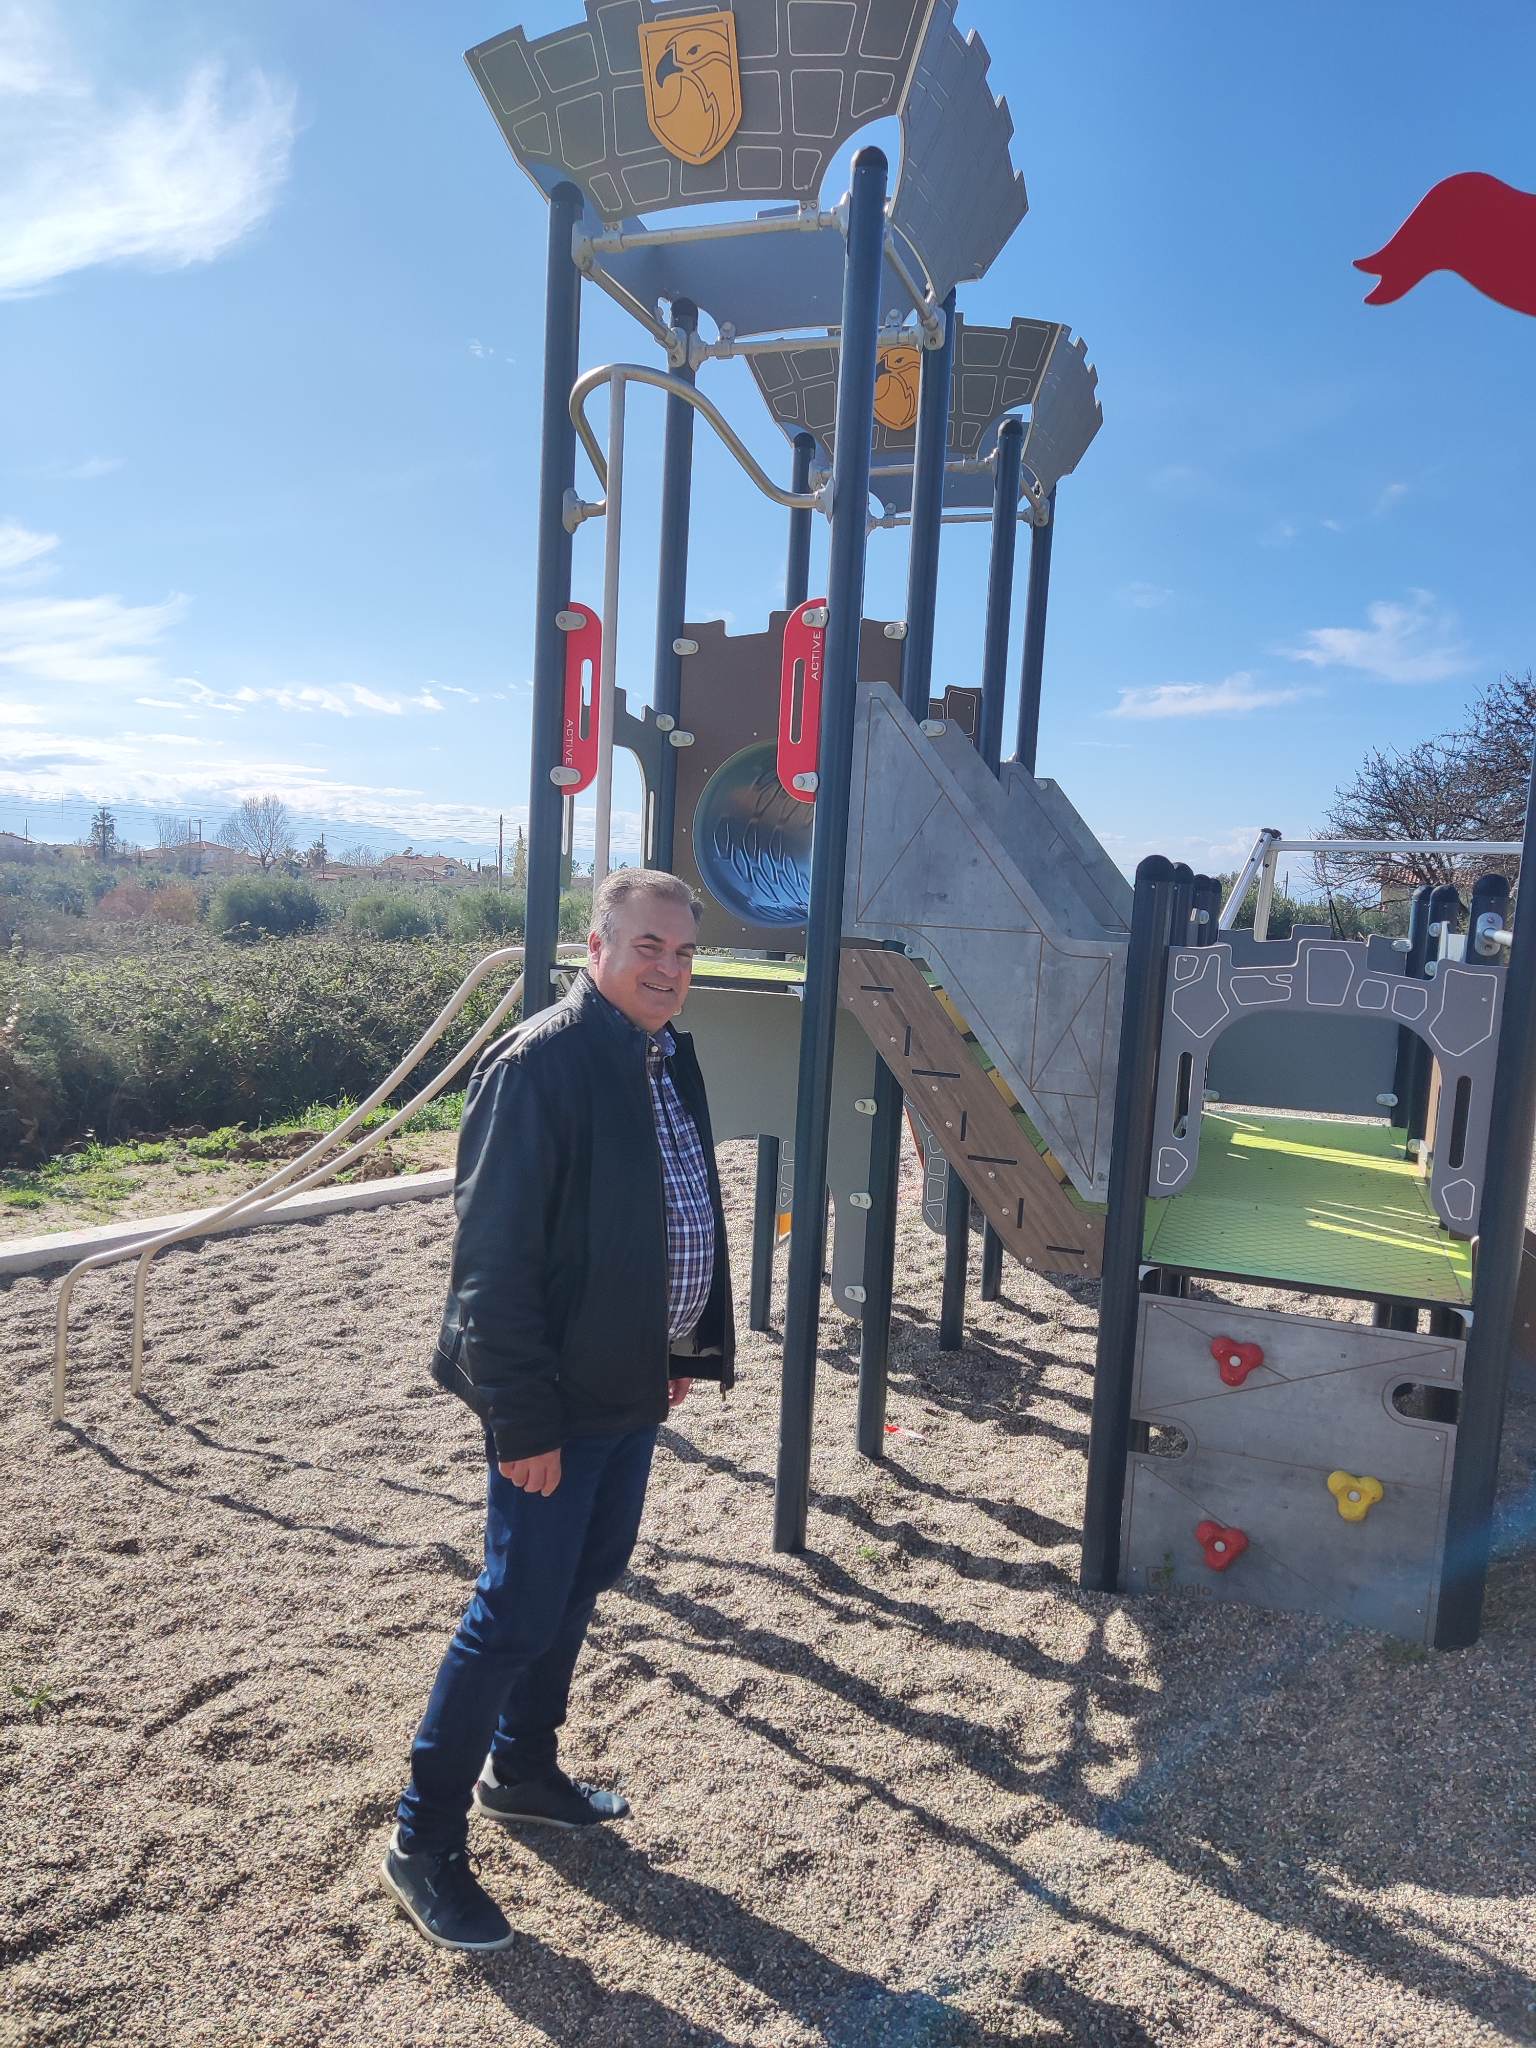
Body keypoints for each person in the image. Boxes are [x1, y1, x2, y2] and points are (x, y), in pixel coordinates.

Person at [380, 869, 735, 1951]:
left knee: (585, 1577)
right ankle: (422, 1840)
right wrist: (521, 1422)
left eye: (683, 952)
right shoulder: (539, 1065)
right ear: (597, 946)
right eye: (648, 946)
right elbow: (492, 1267)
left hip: (630, 1381)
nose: (668, 969)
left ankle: (523, 1771)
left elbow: (669, 1210)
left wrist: (675, 1346)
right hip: (557, 1403)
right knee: (513, 1611)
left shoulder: (663, 1056)